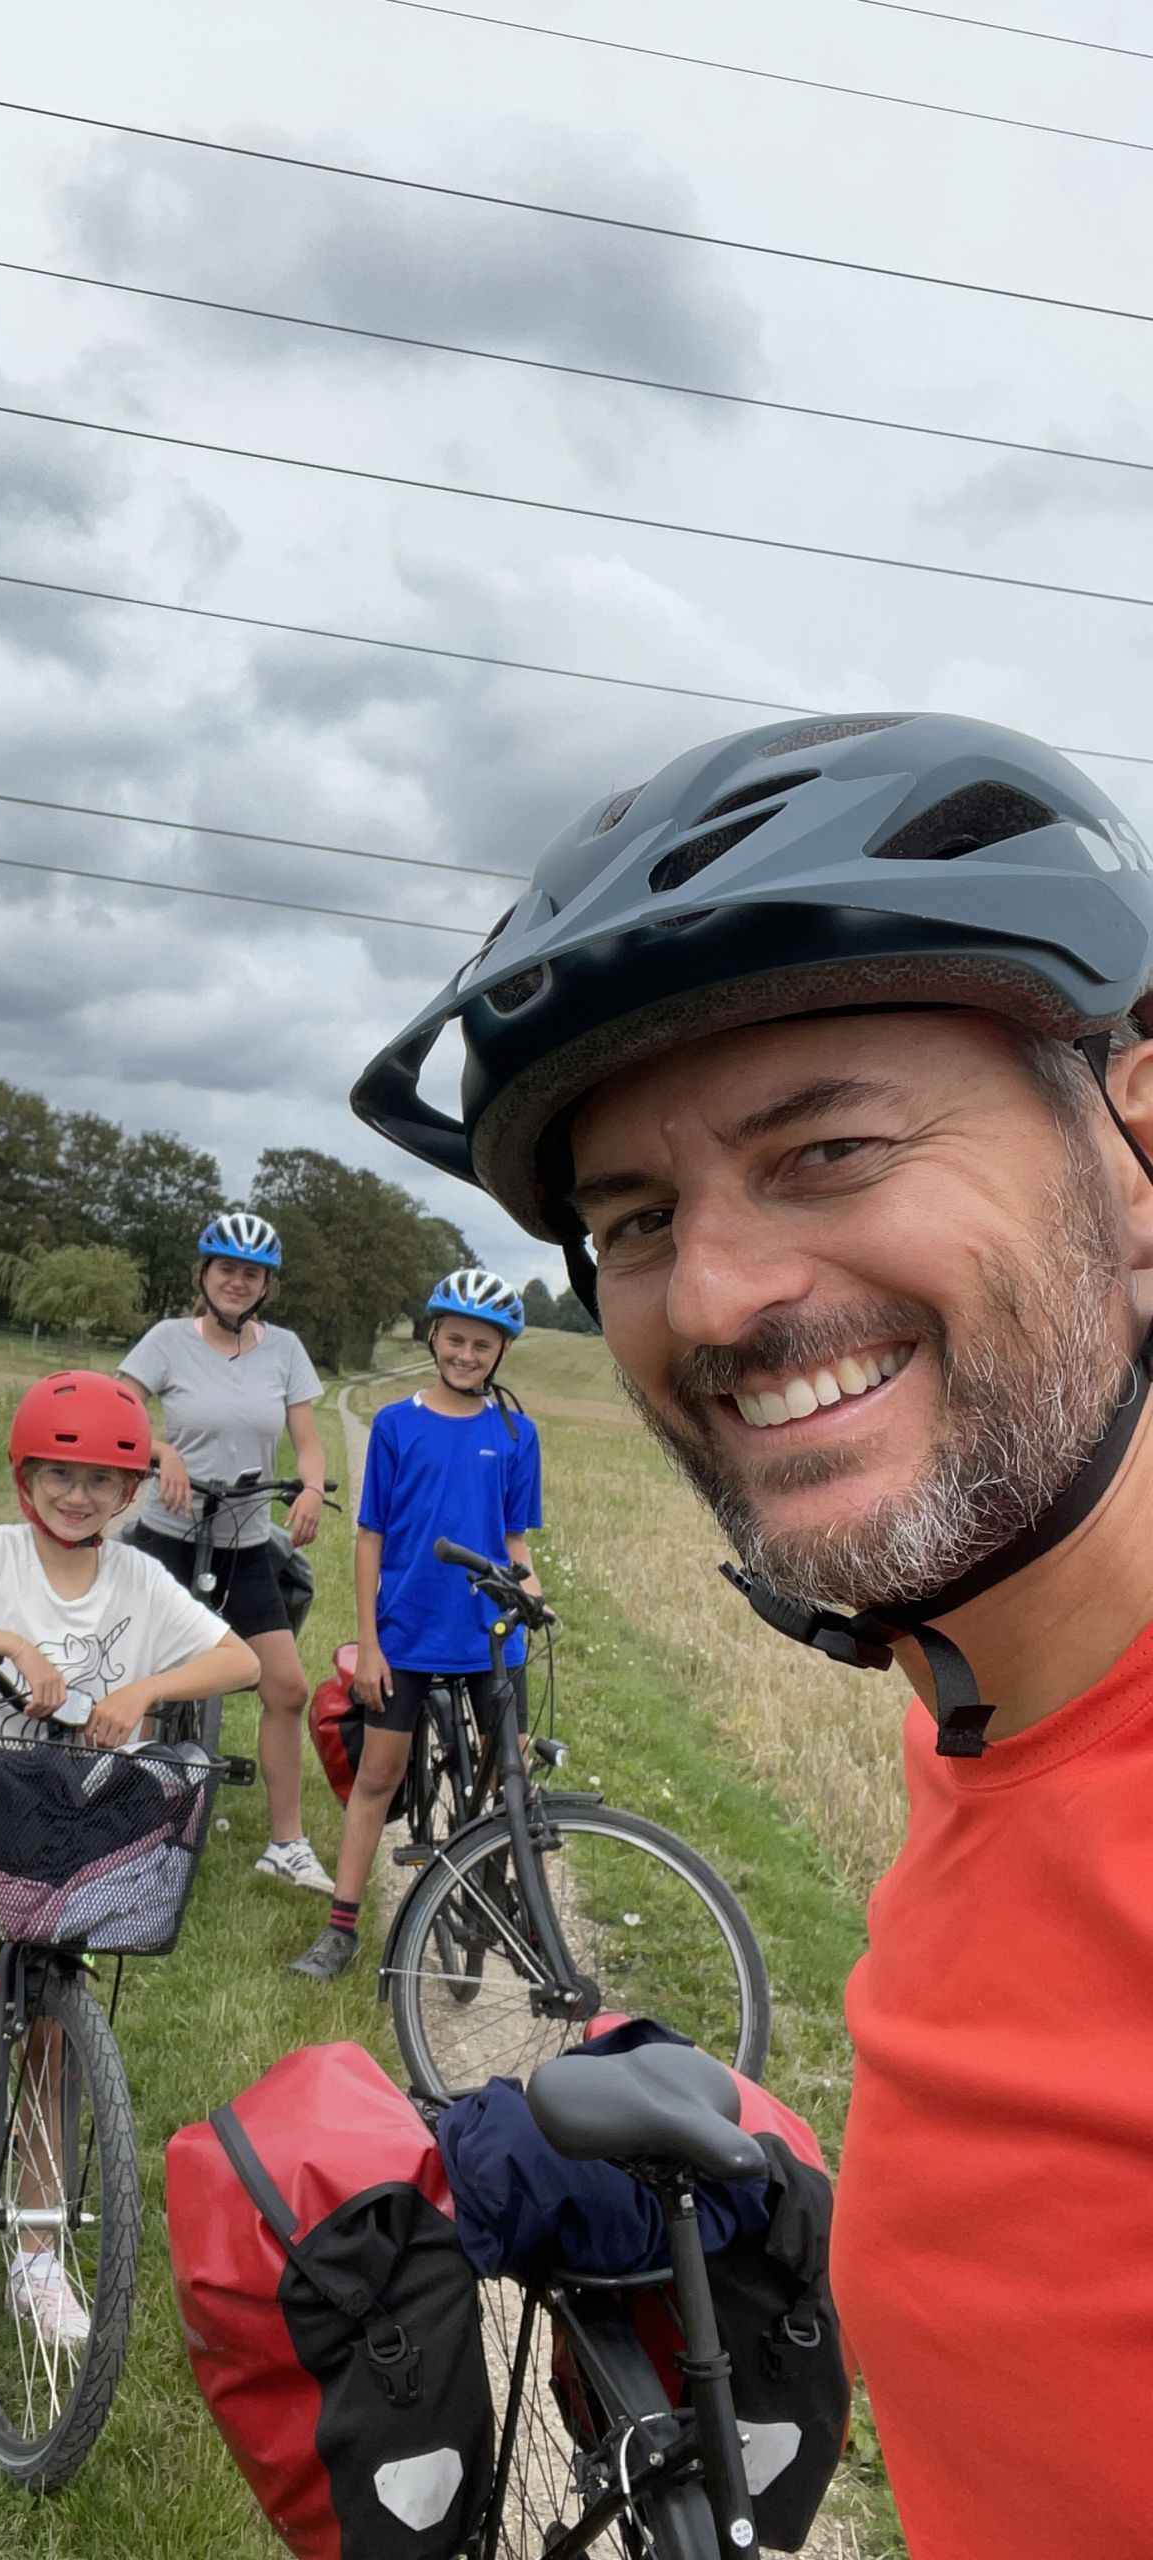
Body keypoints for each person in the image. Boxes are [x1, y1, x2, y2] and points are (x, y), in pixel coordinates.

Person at [352, 709, 1153, 2560]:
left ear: (1133, 1161)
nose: (713, 1295)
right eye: (636, 1219)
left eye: (830, 1151)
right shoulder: (975, 1688)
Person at [0, 1369, 256, 2377]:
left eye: (99, 1482)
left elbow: (239, 1660)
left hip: (75, 1859)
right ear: (27, 1479)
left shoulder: (141, 1583)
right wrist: (8, 1642)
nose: (77, 1497)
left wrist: (147, 1687)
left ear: (127, 1495)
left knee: (53, 2061)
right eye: (58, 1476)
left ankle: (34, 2253)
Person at [291, 1269, 543, 1981]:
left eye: (482, 1345)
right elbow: (370, 1538)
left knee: (510, 1774)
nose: (466, 1354)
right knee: (378, 1775)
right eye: (455, 1339)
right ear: (433, 1337)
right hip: (405, 1634)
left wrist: (534, 1595)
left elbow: (516, 1541)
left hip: (489, 1635)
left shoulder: (516, 1433)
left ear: (501, 1353)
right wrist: (369, 1644)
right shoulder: (398, 1426)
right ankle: (340, 1927)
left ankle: (508, 1897)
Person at [118, 1213, 334, 1893]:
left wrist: (305, 1486)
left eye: (252, 1274)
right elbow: (115, 1409)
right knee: (142, 1680)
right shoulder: (167, 1341)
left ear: (265, 1285)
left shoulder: (286, 1350)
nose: (238, 1283)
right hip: (170, 1533)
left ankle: (287, 1843)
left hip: (244, 1542)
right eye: (226, 1270)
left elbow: (306, 1439)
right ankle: (126, 1830)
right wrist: (162, 1451)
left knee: (287, 1686)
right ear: (203, 1276)